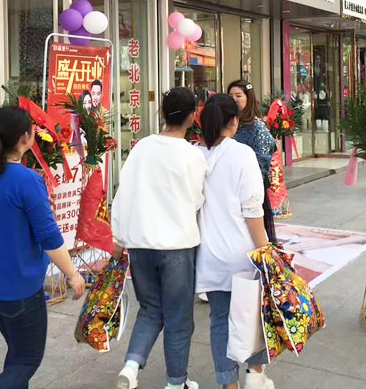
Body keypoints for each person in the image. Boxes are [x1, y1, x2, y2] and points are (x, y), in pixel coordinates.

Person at [0, 106, 86, 389]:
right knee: (26, 360)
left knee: (17, 355)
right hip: (19, 291)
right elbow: (49, 237)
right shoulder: (27, 181)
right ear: (26, 138)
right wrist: (73, 274)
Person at [111, 87, 207, 389]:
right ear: (192, 117)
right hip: (177, 245)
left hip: (140, 244)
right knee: (179, 318)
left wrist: (119, 239)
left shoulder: (141, 147)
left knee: (151, 310)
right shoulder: (193, 155)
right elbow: (197, 200)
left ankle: (131, 366)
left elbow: (123, 194)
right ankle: (176, 383)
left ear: (162, 113)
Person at [197, 94, 274, 389]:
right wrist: (266, 251)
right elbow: (253, 210)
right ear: (234, 121)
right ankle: (255, 376)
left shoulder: (195, 154)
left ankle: (228, 384)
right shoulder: (242, 154)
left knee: (219, 321)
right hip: (243, 253)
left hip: (208, 254)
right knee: (253, 316)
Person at [227, 79, 277, 243]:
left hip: (251, 188)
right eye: (230, 95)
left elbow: (262, 161)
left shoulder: (257, 127)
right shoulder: (226, 124)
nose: (234, 99)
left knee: (255, 235)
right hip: (230, 188)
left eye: (238, 95)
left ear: (248, 98)